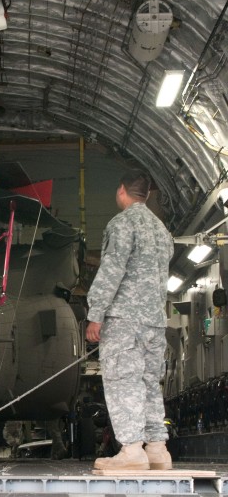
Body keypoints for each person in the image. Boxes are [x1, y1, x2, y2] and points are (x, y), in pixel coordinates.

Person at [85, 169, 174, 472]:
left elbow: (112, 271)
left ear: (122, 191)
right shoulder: (162, 230)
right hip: (155, 323)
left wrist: (95, 315)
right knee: (149, 382)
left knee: (123, 382)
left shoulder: (122, 224)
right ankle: (158, 449)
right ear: (147, 195)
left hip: (125, 321)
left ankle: (132, 449)